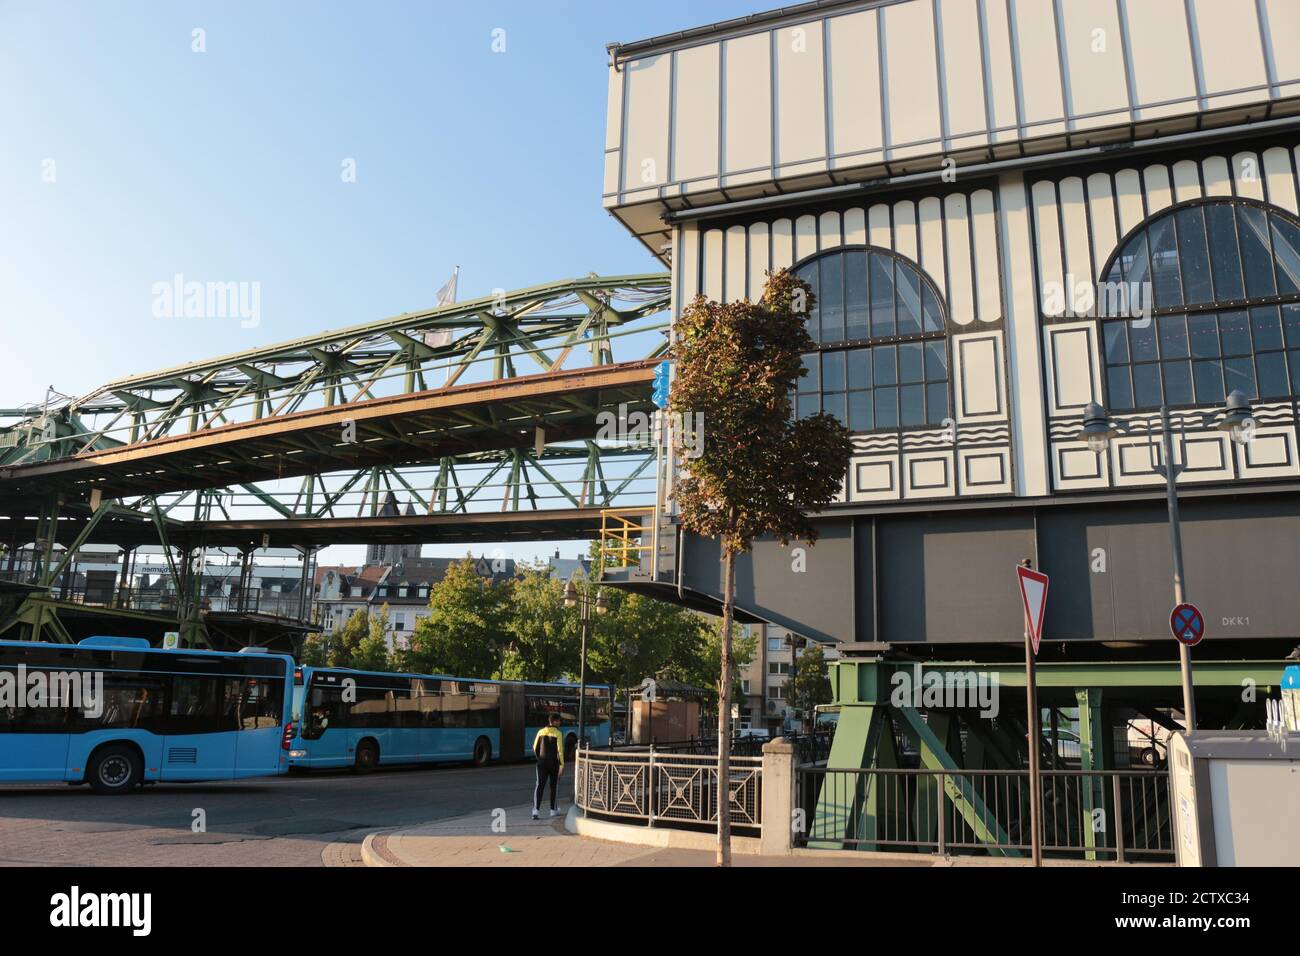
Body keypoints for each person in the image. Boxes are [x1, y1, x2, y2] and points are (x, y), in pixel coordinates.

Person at [532, 712, 565, 819]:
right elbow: (560, 751)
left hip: (541, 762)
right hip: (553, 763)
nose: (560, 723)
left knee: (539, 785)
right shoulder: (558, 733)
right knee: (554, 786)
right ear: (554, 721)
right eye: (559, 721)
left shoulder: (540, 732)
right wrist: (562, 765)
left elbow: (535, 747)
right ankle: (553, 810)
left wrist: (540, 758)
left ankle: (536, 811)